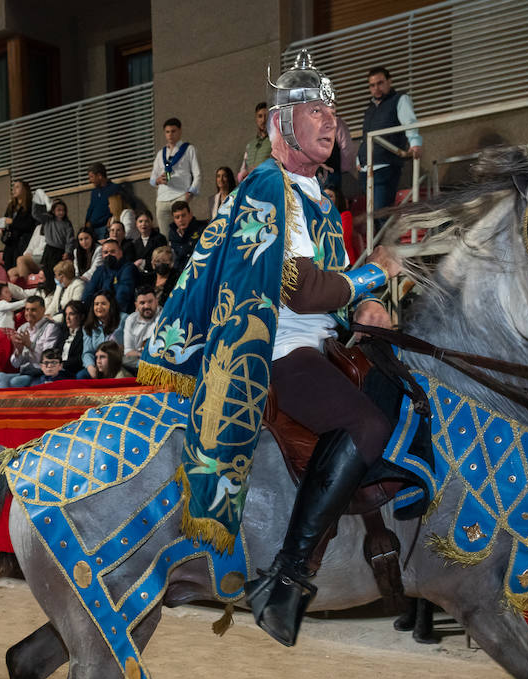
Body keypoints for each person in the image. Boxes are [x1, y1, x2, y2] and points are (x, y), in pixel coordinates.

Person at [137, 51, 398, 647]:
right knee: (365, 423)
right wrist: (370, 278)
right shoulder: (267, 185)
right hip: (279, 352)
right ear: (282, 127)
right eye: (314, 111)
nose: (330, 122)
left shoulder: (315, 197)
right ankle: (288, 578)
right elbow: (301, 289)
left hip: (321, 341)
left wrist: (361, 305)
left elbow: (328, 289)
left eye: (333, 111)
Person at [357, 66, 422, 214]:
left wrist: (415, 144)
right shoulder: (370, 108)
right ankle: (384, 238)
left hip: (386, 165)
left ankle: (390, 238)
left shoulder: (399, 99)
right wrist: (358, 160)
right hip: (366, 169)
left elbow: (410, 123)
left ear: (389, 82)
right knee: (372, 218)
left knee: (381, 213)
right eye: (372, 85)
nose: (376, 88)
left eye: (380, 83)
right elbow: (365, 136)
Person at [0, 295, 62, 387]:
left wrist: (29, 345)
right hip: (25, 371)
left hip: (40, 372)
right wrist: (19, 351)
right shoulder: (22, 328)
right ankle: (1, 401)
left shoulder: (50, 328)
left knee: (15, 382)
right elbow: (15, 364)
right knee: (0, 377)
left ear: (43, 310)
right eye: (27, 309)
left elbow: (47, 359)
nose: (29, 313)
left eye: (33, 310)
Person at [149, 117, 202, 234]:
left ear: (180, 131)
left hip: (180, 195)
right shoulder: (160, 154)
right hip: (162, 198)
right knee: (165, 235)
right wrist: (157, 180)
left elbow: (197, 173)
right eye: (167, 132)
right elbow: (152, 178)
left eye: (173, 131)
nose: (170, 135)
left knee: (184, 231)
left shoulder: (189, 149)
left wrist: (190, 192)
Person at [83, 237, 138, 314]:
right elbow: (88, 293)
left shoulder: (128, 268)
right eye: (105, 252)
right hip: (99, 313)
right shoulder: (99, 270)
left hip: (119, 313)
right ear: (102, 255)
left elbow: (123, 296)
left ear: (120, 253)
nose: (109, 255)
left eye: (112, 252)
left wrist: (110, 314)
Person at [0, 179, 39, 270]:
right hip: (10, 245)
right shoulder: (11, 206)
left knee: (19, 271)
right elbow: (5, 221)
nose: (14, 190)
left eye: (17, 187)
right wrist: (2, 230)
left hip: (22, 245)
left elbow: (30, 226)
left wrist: (12, 222)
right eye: (13, 187)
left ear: (24, 190)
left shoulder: (31, 206)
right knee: (9, 273)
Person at [118, 286, 160, 372]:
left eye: (150, 302)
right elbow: (128, 351)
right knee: (120, 361)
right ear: (136, 305)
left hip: (158, 362)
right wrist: (142, 355)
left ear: (156, 301)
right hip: (137, 362)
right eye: (142, 303)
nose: (147, 306)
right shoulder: (130, 319)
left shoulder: (164, 317)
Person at [79, 291, 121, 377]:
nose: (99, 307)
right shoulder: (88, 326)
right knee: (81, 375)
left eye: (103, 304)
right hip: (98, 365)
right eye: (96, 304)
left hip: (117, 364)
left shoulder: (123, 320)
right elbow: (87, 352)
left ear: (111, 305)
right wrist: (91, 368)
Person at [166, 201, 206, 275]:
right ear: (174, 219)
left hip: (198, 269)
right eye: (177, 217)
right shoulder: (172, 233)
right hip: (179, 271)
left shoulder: (202, 229)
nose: (180, 220)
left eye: (183, 215)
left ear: (190, 214)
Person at [236, 101, 272, 182]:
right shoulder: (250, 145)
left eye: (266, 116)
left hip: (266, 185)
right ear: (256, 119)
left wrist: (258, 170)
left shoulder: (275, 142)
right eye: (260, 116)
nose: (263, 120)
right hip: (250, 187)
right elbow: (243, 169)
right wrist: (242, 174)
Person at [83, 163, 121, 237]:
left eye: (92, 177)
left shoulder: (115, 188)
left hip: (105, 229)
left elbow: (119, 206)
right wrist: (87, 222)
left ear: (100, 176)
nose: (90, 180)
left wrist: (113, 218)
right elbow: (91, 208)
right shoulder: (94, 192)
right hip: (92, 230)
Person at [57, 301, 88, 378]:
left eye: (71, 314)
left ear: (82, 316)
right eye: (66, 314)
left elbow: (80, 358)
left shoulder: (85, 334)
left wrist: (62, 365)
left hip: (74, 370)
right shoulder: (63, 333)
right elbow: (56, 351)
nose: (67, 318)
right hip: (59, 369)